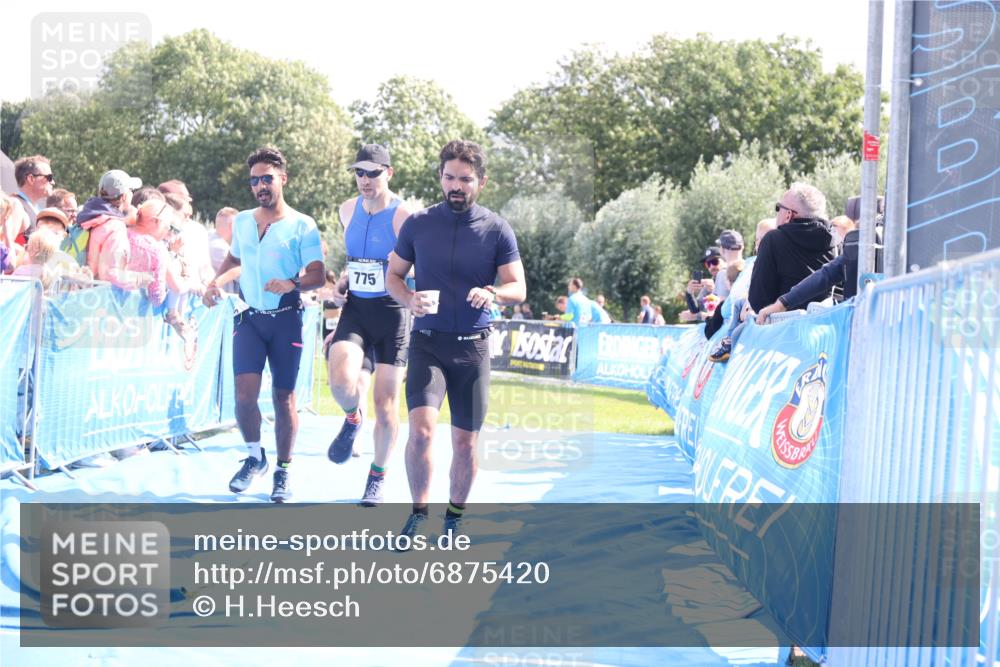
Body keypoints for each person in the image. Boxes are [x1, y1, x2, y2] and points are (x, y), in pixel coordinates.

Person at [386, 139, 525, 540]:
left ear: (481, 181)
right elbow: (392, 276)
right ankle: (418, 514)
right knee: (421, 432)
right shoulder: (418, 224)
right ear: (440, 177)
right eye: (449, 178)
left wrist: (493, 292)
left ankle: (454, 516)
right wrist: (409, 298)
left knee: (465, 443)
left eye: (465, 179)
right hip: (428, 344)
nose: (456, 186)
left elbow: (518, 287)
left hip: (473, 348)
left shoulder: (497, 229)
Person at [202, 147, 325, 503]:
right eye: (254, 180)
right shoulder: (242, 221)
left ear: (283, 179)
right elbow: (234, 258)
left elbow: (318, 274)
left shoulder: (302, 224)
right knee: (243, 396)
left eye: (267, 179)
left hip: (285, 320)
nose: (260, 186)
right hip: (249, 318)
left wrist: (292, 283)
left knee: (283, 398)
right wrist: (214, 283)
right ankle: (255, 457)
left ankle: (283, 470)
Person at [326, 144, 418, 508]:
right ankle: (353, 418)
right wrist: (343, 280)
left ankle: (377, 477)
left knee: (386, 404)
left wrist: (409, 274)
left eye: (373, 173)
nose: (365, 180)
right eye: (359, 172)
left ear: (389, 173)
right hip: (357, 309)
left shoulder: (404, 215)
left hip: (393, 314)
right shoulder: (347, 209)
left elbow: (420, 265)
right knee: (340, 381)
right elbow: (357, 259)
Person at [709, 183, 835, 362]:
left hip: (778, 339)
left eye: (778, 208)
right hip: (822, 338)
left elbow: (758, 300)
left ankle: (727, 344)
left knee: (741, 306)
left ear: (788, 215)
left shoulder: (774, 239)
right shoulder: (834, 241)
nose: (777, 213)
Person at [80, 170, 141, 281]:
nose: (133, 194)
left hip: (79, 285)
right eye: (131, 190)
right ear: (124, 196)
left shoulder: (88, 216)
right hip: (97, 289)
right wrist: (141, 280)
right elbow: (110, 274)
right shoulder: (115, 227)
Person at [10, 155, 54, 236]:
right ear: (31, 179)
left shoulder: (38, 210)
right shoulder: (14, 206)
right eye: (49, 177)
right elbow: (4, 241)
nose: (53, 182)